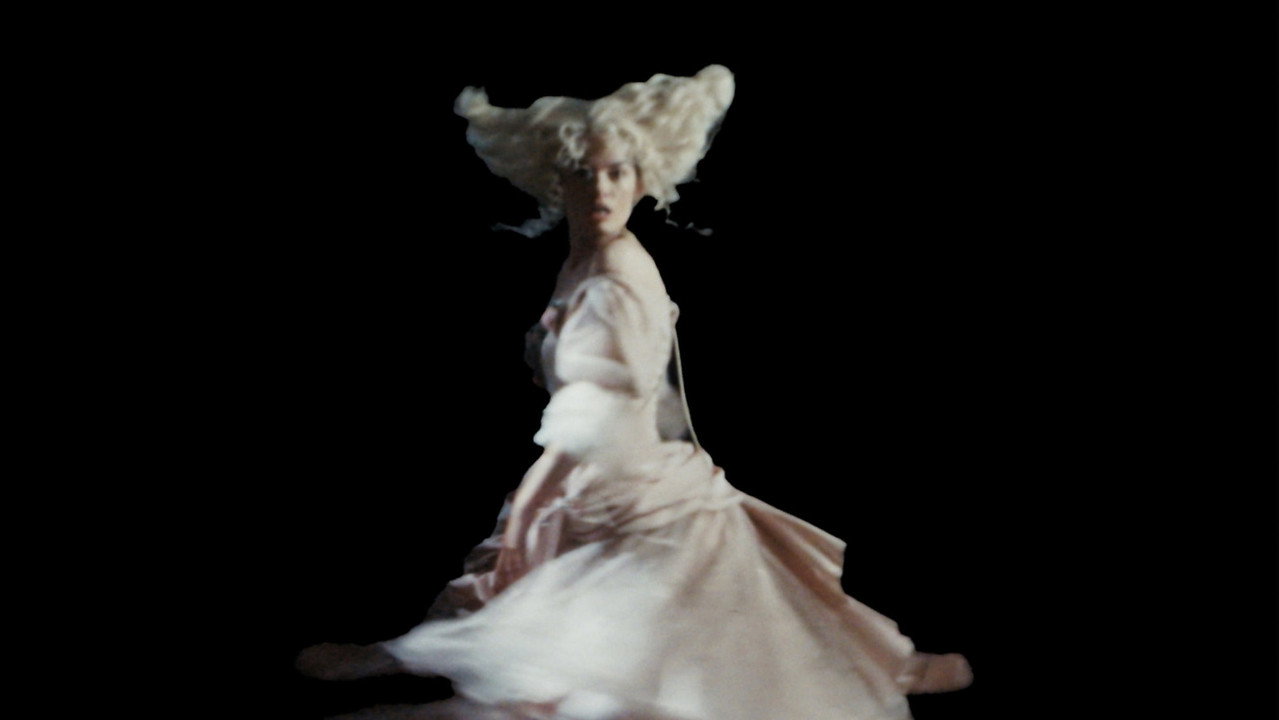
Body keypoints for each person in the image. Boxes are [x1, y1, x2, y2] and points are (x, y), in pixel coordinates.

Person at [297, 65, 973, 720]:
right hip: (610, 472)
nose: (600, 188)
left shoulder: (613, 275)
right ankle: (406, 654)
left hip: (621, 479)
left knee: (610, 643)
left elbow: (598, 414)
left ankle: (402, 658)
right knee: (557, 590)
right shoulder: (589, 257)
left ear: (642, 178)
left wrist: (535, 499)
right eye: (583, 172)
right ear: (557, 180)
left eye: (617, 172)